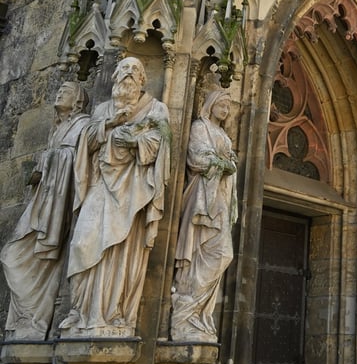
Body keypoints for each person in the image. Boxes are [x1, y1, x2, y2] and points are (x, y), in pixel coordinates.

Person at [59, 57, 170, 337]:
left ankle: (112, 314)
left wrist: (134, 141)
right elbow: (87, 143)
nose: (128, 75)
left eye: (135, 71)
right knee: (84, 242)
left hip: (132, 192)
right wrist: (110, 123)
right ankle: (83, 312)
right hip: (100, 184)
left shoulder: (155, 109)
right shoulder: (102, 109)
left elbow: (161, 143)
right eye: (123, 71)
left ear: (143, 80)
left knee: (120, 251)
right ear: (115, 77)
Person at [1, 82, 90, 339]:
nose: (60, 92)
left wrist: (50, 159)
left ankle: (36, 320)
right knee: (12, 254)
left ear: (78, 100)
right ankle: (29, 318)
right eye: (59, 89)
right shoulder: (58, 129)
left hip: (58, 206)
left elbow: (79, 162)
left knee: (26, 255)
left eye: (66, 91)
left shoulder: (82, 125)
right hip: (45, 201)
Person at [170, 88, 238, 343]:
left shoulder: (222, 133)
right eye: (222, 104)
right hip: (201, 196)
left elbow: (230, 162)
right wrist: (223, 163)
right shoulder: (200, 127)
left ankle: (198, 313)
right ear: (211, 105)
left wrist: (227, 163)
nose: (226, 109)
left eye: (228, 106)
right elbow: (197, 156)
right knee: (200, 250)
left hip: (218, 196)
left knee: (223, 254)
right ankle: (185, 313)